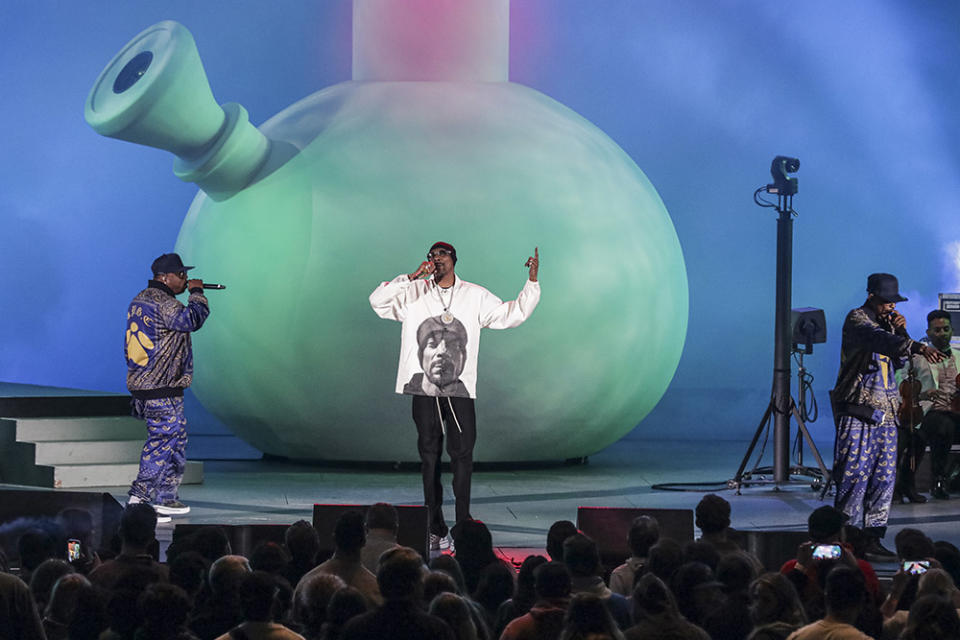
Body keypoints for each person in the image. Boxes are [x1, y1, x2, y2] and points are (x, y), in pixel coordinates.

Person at [369, 242, 540, 550]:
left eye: (442, 254)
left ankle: (463, 527)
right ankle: (434, 526)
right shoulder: (414, 292)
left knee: (462, 456)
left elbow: (510, 314)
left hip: (460, 389)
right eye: (432, 255)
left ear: (454, 259)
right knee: (429, 456)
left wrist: (532, 282)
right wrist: (410, 277)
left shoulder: (474, 295)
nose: (436, 259)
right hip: (423, 389)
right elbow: (378, 302)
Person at [831, 273, 943, 559]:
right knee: (854, 475)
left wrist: (903, 334)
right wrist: (914, 344)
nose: (890, 307)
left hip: (886, 413)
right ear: (872, 296)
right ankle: (847, 537)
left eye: (893, 303)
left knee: (883, 478)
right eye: (886, 302)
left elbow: (900, 361)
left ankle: (873, 537)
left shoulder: (889, 327)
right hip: (859, 410)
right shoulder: (857, 320)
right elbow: (877, 340)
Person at [125, 252, 210, 518]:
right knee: (163, 439)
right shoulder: (164, 303)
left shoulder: (141, 300)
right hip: (159, 387)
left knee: (176, 439)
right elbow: (192, 320)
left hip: (151, 385)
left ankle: (166, 496)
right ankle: (139, 498)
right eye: (181, 275)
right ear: (164, 277)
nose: (185, 279)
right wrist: (196, 293)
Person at [896, 309, 960, 500]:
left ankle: (952, 477)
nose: (942, 333)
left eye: (945, 329)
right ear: (929, 332)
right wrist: (922, 393)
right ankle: (938, 481)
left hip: (956, 411)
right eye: (937, 330)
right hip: (929, 411)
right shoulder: (918, 356)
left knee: (947, 425)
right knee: (942, 426)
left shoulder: (959, 355)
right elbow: (901, 383)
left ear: (952, 330)